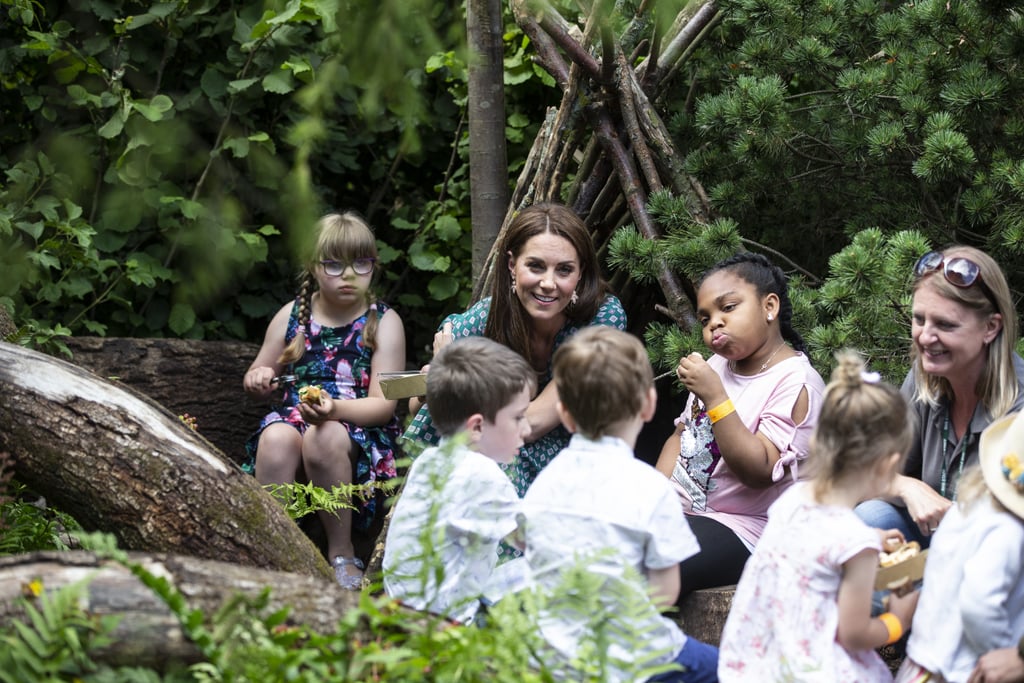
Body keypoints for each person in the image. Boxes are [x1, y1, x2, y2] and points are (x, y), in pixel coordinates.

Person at [523, 326, 719, 683]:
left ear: (564, 413)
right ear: (648, 404)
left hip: (555, 656)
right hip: (635, 658)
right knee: (727, 669)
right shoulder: (651, 488)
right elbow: (664, 593)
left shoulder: (544, 484)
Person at [718, 350, 920, 682]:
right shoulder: (857, 545)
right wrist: (899, 621)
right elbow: (854, 633)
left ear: (817, 439)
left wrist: (873, 538)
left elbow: (818, 543)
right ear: (887, 465)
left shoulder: (794, 500)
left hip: (756, 664)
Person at [404, 202, 626, 499]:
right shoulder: (486, 317)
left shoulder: (602, 320)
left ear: (580, 272)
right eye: (535, 266)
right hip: (492, 443)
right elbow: (419, 410)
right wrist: (435, 383)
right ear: (512, 265)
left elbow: (533, 425)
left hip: (568, 454)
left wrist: (455, 392)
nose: (548, 283)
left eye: (564, 270)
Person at [243, 211, 405, 590]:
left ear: (373, 266)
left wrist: (333, 410)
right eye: (334, 265)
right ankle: (277, 547)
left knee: (324, 436)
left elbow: (384, 405)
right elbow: (258, 372)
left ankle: (341, 551)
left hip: (356, 432)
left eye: (360, 263)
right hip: (294, 420)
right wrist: (259, 379)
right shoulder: (292, 317)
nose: (348, 275)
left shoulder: (384, 322)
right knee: (276, 438)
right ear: (313, 267)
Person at [654, 252, 826, 602]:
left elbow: (759, 470)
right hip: (685, 511)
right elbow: (679, 436)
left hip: (747, 527)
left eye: (728, 308)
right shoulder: (717, 367)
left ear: (770, 306)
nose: (714, 323)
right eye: (705, 318)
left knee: (652, 565)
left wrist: (717, 399)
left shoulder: (796, 382)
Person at [856, 246, 1024, 546]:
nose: (925, 337)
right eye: (919, 319)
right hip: (934, 540)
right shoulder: (924, 380)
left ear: (990, 327)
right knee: (871, 517)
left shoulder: (1019, 404)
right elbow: (865, 474)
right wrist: (908, 487)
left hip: (993, 552)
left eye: (945, 324)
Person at [382, 337, 535, 624]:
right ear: (477, 426)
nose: (526, 428)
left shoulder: (429, 461)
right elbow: (534, 542)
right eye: (518, 417)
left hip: (402, 611)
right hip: (446, 625)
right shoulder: (483, 475)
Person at [895, 409, 1024, 683]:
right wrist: (1002, 649)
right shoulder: (1010, 533)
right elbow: (979, 604)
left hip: (922, 660)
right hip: (961, 670)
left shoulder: (966, 507)